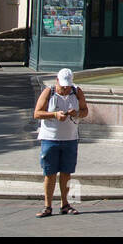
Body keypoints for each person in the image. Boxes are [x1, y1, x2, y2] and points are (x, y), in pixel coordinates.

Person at [33, 68, 88, 218]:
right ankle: (47, 206)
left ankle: (65, 204)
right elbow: (37, 113)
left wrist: (76, 113)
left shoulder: (77, 92)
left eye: (68, 86)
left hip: (70, 138)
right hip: (50, 139)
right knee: (49, 173)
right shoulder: (48, 92)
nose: (65, 89)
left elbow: (85, 111)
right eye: (63, 86)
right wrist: (54, 115)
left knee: (66, 173)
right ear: (57, 81)